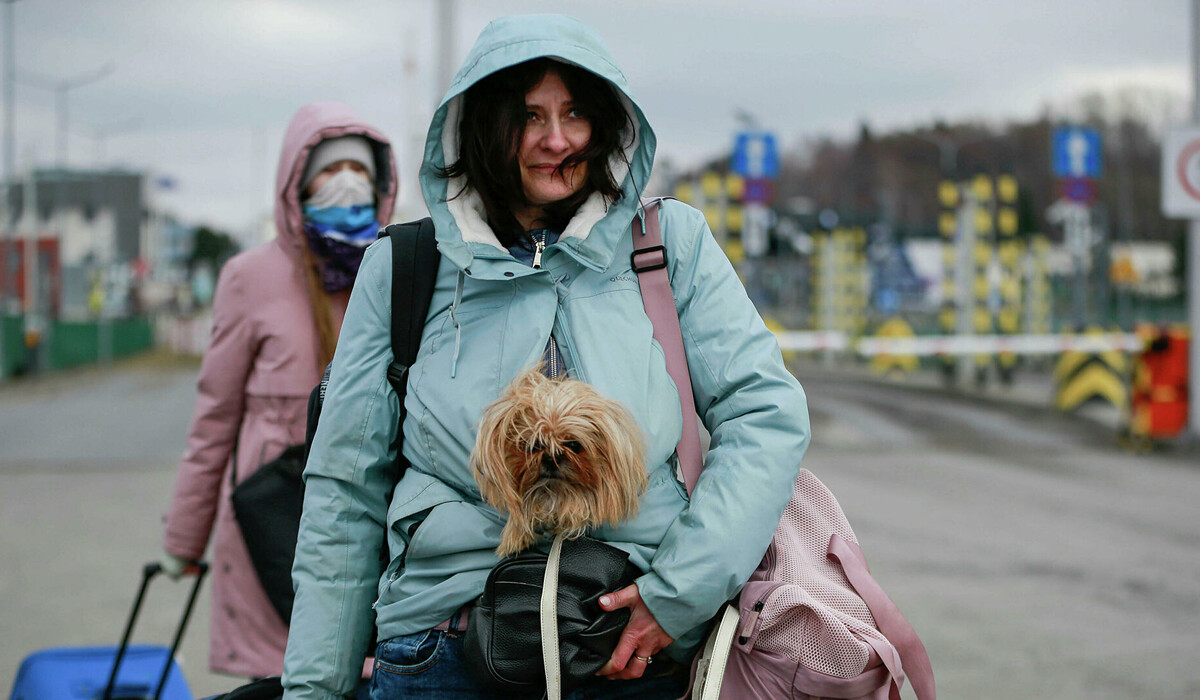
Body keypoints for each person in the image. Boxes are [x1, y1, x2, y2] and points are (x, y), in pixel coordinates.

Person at [283, 15, 810, 700]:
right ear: (481, 127)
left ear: (607, 125)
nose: (556, 140)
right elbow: (344, 489)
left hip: (627, 646)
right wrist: (314, 689)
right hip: (442, 648)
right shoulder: (404, 265)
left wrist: (677, 593)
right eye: (528, 115)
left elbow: (764, 416)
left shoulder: (667, 244)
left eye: (575, 114)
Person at [160, 102, 397, 680]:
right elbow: (215, 418)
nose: (347, 183)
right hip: (272, 519)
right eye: (330, 169)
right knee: (282, 677)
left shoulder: (398, 265)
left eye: (360, 171)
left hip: (370, 512)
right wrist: (184, 539)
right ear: (296, 183)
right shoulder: (250, 277)